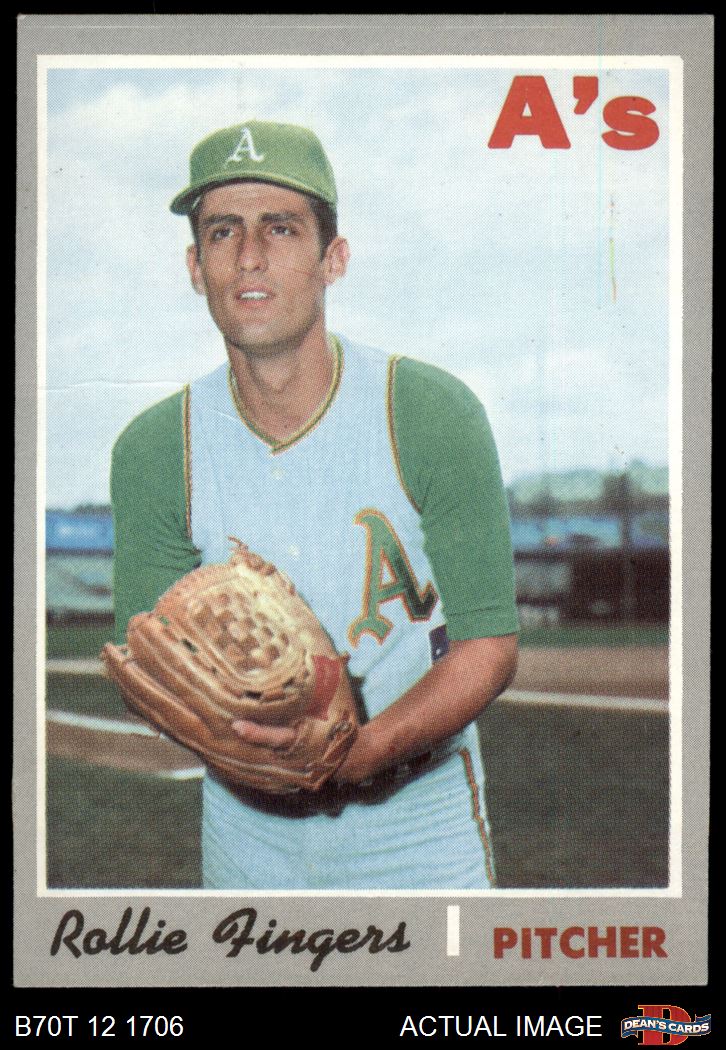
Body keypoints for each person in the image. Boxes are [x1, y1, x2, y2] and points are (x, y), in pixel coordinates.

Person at [110, 120, 519, 890]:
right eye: (223, 231)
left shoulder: (428, 412)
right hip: (245, 840)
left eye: (281, 228)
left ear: (334, 258)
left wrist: (358, 753)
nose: (250, 256)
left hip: (418, 830)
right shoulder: (156, 448)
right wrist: (222, 728)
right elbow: (149, 663)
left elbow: (489, 644)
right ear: (195, 267)